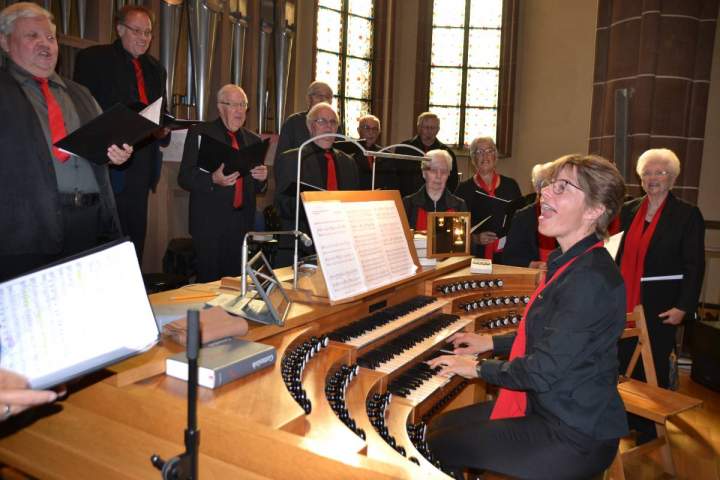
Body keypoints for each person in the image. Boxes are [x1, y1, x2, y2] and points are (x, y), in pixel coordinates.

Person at [426, 154, 628, 480]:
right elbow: (552, 338)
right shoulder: (573, 261)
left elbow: (542, 370)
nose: (544, 194)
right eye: (549, 185)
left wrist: (477, 367)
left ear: (594, 210)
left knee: (440, 444)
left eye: (562, 188)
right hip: (553, 409)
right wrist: (489, 341)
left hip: (574, 432)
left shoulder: (590, 279)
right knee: (439, 427)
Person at [0, 2, 132, 282]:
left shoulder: (81, 93)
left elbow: (101, 149)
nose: (45, 45)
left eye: (50, 37)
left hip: (89, 223)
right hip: (25, 228)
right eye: (32, 36)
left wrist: (116, 154)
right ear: (5, 41)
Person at [74, 5, 169, 263]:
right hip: (107, 164)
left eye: (148, 32)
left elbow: (161, 111)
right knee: (103, 245)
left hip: (143, 164)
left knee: (134, 240)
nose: (144, 37)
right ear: (119, 29)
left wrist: (164, 128)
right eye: (136, 31)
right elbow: (83, 111)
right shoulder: (94, 58)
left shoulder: (156, 69)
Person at [617, 148, 705, 391]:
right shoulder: (628, 210)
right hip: (624, 303)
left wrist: (684, 307)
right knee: (621, 361)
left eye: (660, 173)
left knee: (652, 364)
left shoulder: (687, 215)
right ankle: (622, 419)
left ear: (672, 177)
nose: (652, 178)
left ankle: (648, 427)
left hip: (662, 305)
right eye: (647, 173)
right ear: (640, 178)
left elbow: (694, 265)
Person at [178, 85, 268, 283]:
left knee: (236, 285)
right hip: (209, 224)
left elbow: (256, 187)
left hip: (241, 224)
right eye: (233, 104)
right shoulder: (201, 133)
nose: (239, 110)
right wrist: (212, 179)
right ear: (220, 107)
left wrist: (261, 179)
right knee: (209, 286)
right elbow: (184, 177)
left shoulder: (253, 140)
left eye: (243, 105)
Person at [273, 102, 359, 267]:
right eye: (321, 121)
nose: (328, 127)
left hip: (340, 244)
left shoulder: (348, 162)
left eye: (333, 122)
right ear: (310, 127)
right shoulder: (292, 158)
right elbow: (282, 205)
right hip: (302, 243)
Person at [456, 136, 522, 259]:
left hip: (507, 254)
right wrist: (474, 238)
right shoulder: (463, 190)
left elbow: (520, 221)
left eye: (489, 151)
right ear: (473, 159)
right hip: (475, 256)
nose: (485, 156)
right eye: (479, 152)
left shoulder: (511, 185)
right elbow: (456, 231)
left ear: (495, 156)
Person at [502, 163, 557, 269]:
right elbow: (509, 258)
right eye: (547, 184)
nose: (552, 188)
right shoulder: (522, 217)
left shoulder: (564, 213)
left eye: (554, 183)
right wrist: (532, 265)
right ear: (537, 188)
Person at [395, 112, 459, 197]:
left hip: (437, 200)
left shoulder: (446, 152)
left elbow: (452, 180)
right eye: (426, 127)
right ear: (418, 128)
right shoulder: (404, 149)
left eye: (433, 128)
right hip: (407, 199)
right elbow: (396, 177)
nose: (429, 131)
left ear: (438, 129)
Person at [402, 150, 467, 230]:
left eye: (443, 171)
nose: (438, 176)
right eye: (433, 170)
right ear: (424, 173)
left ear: (448, 174)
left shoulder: (459, 206)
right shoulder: (409, 204)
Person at [274, 80, 336, 159]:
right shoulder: (293, 122)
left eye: (327, 97)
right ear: (309, 98)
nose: (323, 100)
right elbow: (282, 157)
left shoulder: (335, 124)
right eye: (318, 96)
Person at [349, 114, 397, 190]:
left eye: (375, 129)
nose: (371, 132)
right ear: (358, 130)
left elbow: (392, 184)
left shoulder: (386, 155)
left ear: (379, 132)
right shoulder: (348, 154)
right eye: (366, 128)